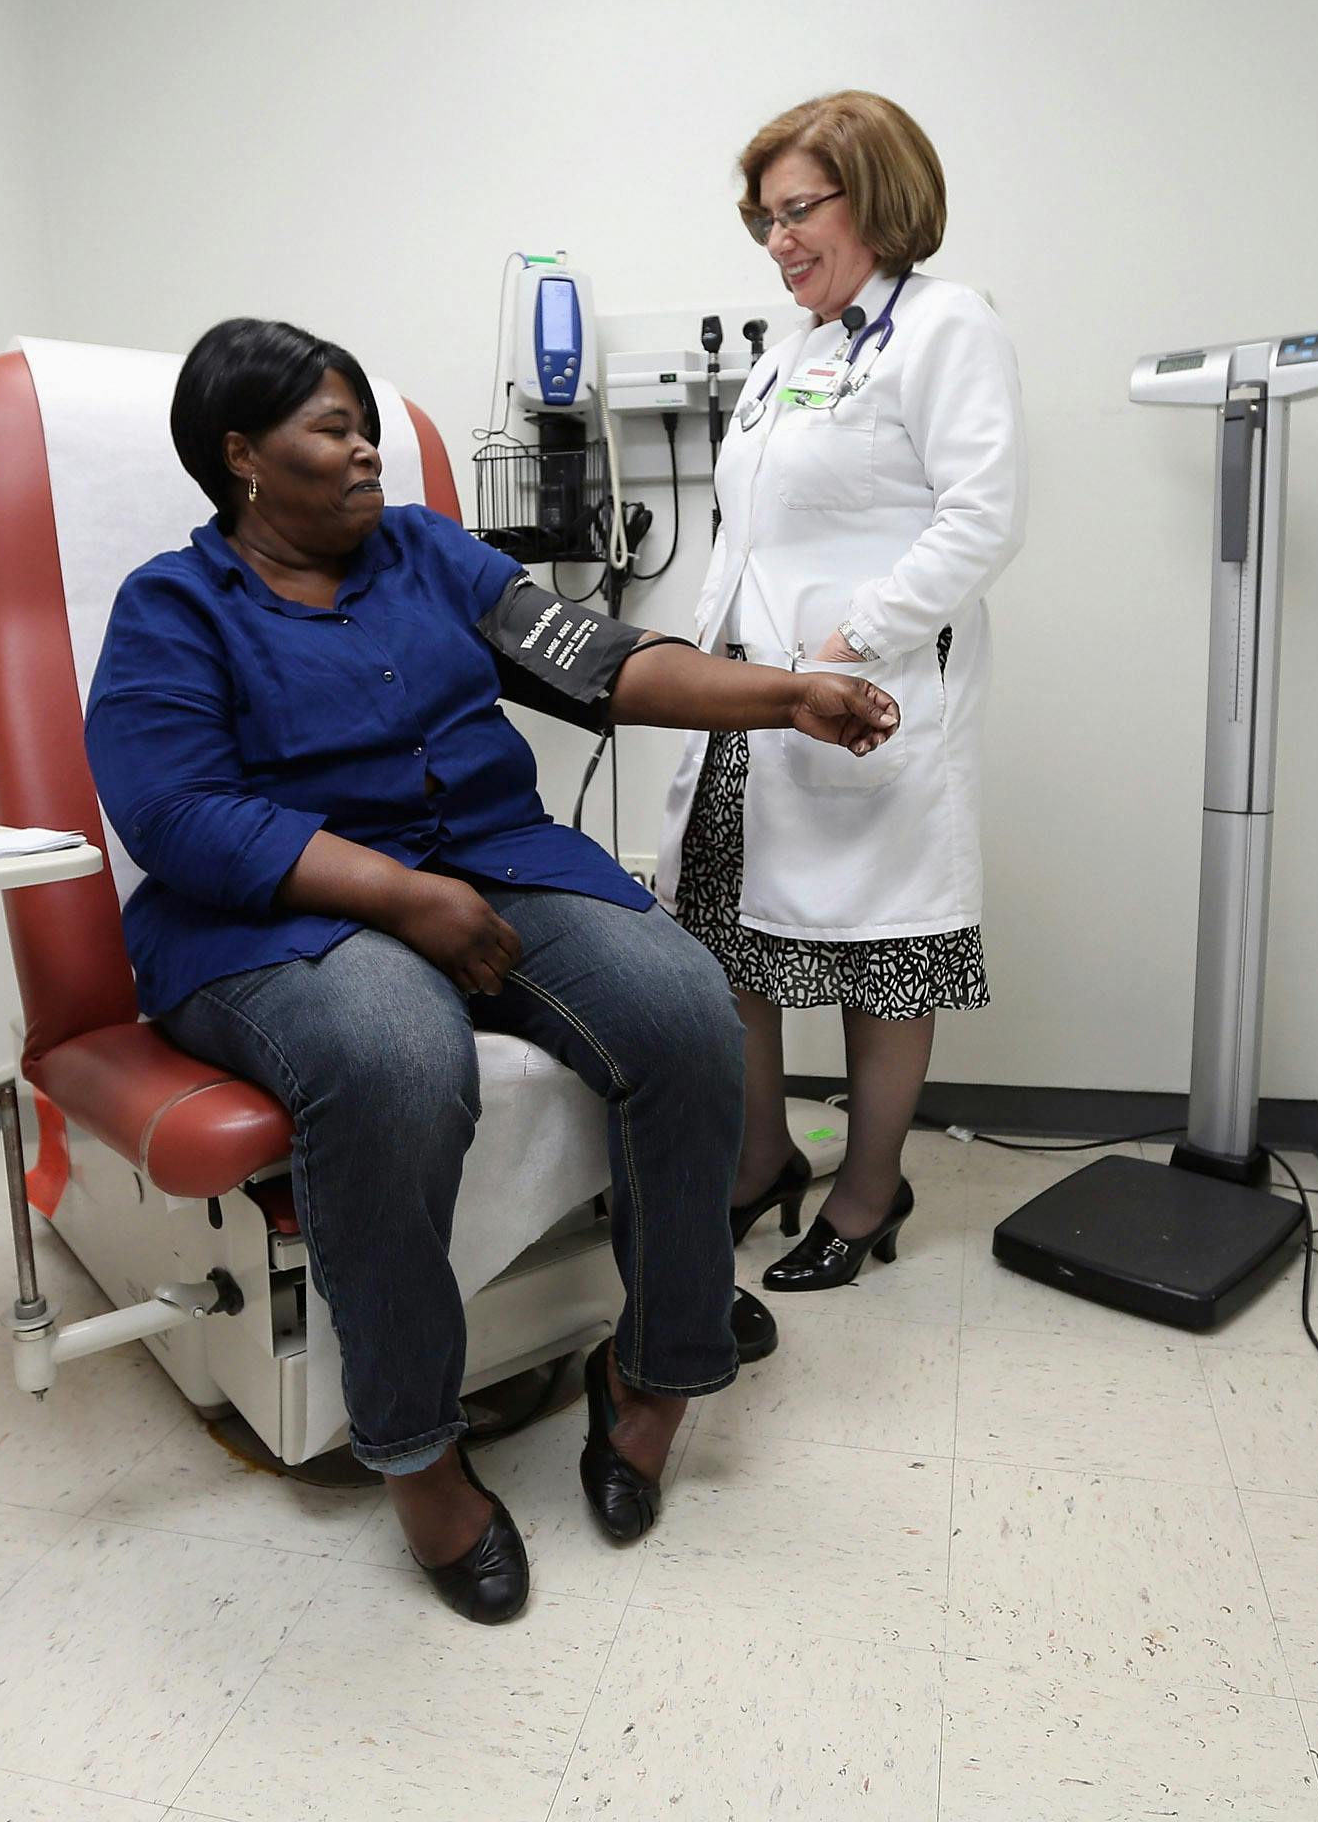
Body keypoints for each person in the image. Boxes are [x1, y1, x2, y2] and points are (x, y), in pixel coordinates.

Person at [83, 317, 899, 1625]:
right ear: (242, 457)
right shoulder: (172, 609)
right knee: (396, 1059)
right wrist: (400, 896)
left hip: (497, 862)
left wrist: (782, 694)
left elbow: (599, 660)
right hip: (276, 916)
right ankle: (414, 1450)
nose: (366, 454)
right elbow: (177, 815)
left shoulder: (429, 556)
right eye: (332, 430)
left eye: (366, 426)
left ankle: (655, 1376)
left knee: (686, 1009)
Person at [661, 90, 1027, 1293]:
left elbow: (983, 517)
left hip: (864, 700)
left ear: (874, 195)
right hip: (754, 696)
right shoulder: (796, 351)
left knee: (882, 953)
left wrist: (851, 640)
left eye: (797, 210)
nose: (778, 242)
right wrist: (710, 659)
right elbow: (747, 530)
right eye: (763, 219)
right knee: (730, 939)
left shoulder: (944, 325)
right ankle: (761, 1153)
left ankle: (869, 1191)